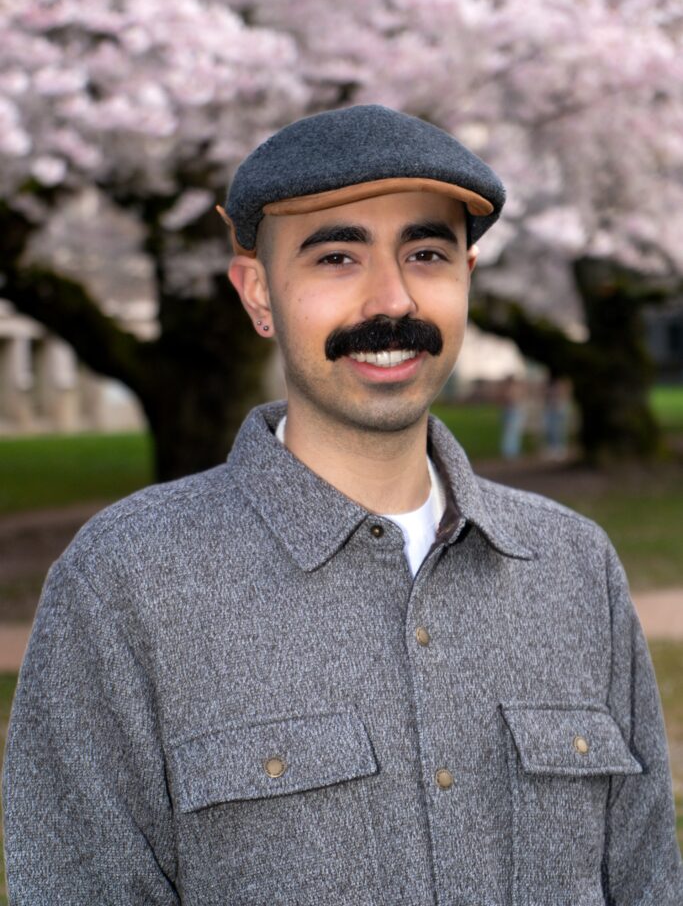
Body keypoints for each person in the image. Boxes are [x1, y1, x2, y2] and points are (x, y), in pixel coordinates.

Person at [3, 105, 681, 905]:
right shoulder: (124, 582)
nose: (391, 301)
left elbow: (646, 881)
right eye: (335, 257)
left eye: (425, 254)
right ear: (258, 294)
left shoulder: (575, 566)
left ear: (467, 277)